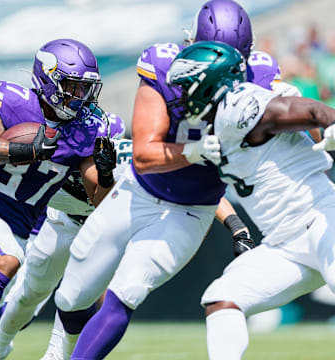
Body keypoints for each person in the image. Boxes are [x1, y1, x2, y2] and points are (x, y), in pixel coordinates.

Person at [50, 1, 289, 359]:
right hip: (137, 193)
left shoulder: (261, 75)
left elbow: (293, 128)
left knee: (127, 290)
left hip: (190, 211)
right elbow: (145, 156)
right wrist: (193, 152)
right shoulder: (164, 66)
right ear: (190, 45)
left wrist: (304, 119)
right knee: (71, 297)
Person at [167, 40, 335, 360]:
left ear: (208, 85)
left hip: (321, 220)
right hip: (284, 244)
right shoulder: (208, 122)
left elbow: (313, 110)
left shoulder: (238, 106)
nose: (181, 96)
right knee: (222, 297)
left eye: (187, 86)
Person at [0, 38, 112, 360]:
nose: (79, 97)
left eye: (84, 89)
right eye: (71, 86)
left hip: (22, 230)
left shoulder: (88, 129)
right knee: (7, 259)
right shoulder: (12, 100)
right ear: (48, 78)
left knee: (18, 298)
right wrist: (22, 150)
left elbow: (100, 202)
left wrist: (105, 175)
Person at [0, 117, 126, 360]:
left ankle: (56, 355)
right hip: (63, 221)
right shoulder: (56, 148)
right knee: (29, 295)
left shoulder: (116, 151)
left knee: (75, 297)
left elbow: (108, 200)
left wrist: (106, 173)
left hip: (100, 225)